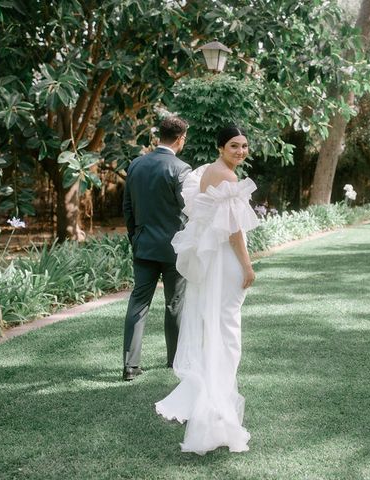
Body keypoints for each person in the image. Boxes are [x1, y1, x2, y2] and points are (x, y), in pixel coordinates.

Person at [155, 126, 259, 455]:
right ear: (220, 147)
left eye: (244, 146)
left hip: (214, 261)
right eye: (234, 145)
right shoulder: (226, 177)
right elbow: (233, 231)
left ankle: (214, 393)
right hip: (226, 262)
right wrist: (247, 265)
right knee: (227, 329)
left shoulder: (210, 173)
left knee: (215, 324)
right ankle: (218, 405)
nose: (240, 151)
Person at [122, 116, 192, 381]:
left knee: (138, 303)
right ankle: (174, 359)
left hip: (143, 246)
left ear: (159, 136)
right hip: (175, 249)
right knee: (174, 304)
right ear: (180, 138)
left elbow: (127, 208)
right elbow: (188, 209)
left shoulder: (136, 165)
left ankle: (130, 366)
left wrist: (135, 237)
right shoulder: (181, 168)